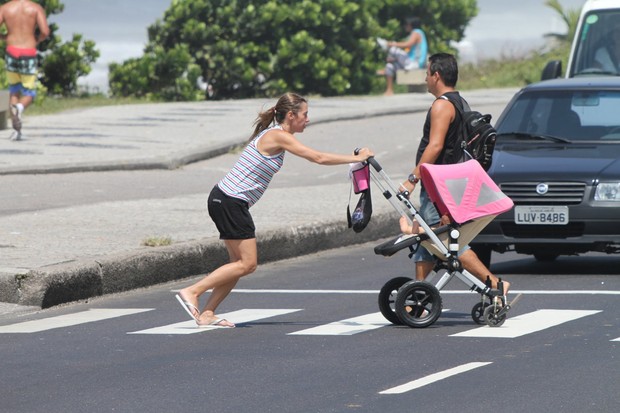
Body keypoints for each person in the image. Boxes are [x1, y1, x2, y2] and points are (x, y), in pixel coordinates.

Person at [175, 93, 374, 328]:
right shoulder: (278, 136)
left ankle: (208, 313)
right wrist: (356, 158)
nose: (308, 119)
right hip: (230, 201)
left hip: (225, 199)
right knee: (247, 264)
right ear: (291, 115)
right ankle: (192, 291)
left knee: (236, 265)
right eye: (305, 114)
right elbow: (317, 157)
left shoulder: (277, 135)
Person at [399, 52, 510, 293]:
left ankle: (495, 283)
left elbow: (435, 145)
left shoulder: (442, 105)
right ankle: (418, 293)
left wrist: (412, 179)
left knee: (442, 240)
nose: (426, 78)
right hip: (446, 183)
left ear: (436, 75)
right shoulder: (460, 102)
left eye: (427, 73)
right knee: (427, 239)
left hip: (436, 184)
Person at [0, 0, 49, 141]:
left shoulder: (5, 8)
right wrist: (37, 39)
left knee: (14, 90)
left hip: (11, 51)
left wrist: (4, 37)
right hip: (28, 51)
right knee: (29, 92)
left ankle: (17, 131)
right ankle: (20, 107)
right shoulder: (35, 8)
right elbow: (45, 31)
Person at [376, 17, 428, 96]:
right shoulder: (417, 33)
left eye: (407, 25)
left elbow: (408, 44)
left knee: (393, 49)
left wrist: (390, 44)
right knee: (389, 66)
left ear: (411, 25)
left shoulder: (416, 32)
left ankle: (385, 45)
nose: (405, 27)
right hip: (409, 64)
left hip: (414, 63)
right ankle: (389, 90)